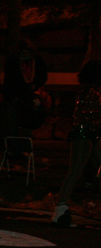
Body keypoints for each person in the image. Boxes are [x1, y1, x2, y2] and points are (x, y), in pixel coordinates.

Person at [52, 60, 101, 227]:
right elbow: (86, 114)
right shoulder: (90, 92)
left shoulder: (90, 91)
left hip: (89, 133)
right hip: (83, 133)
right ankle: (60, 209)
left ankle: (61, 208)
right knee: (75, 170)